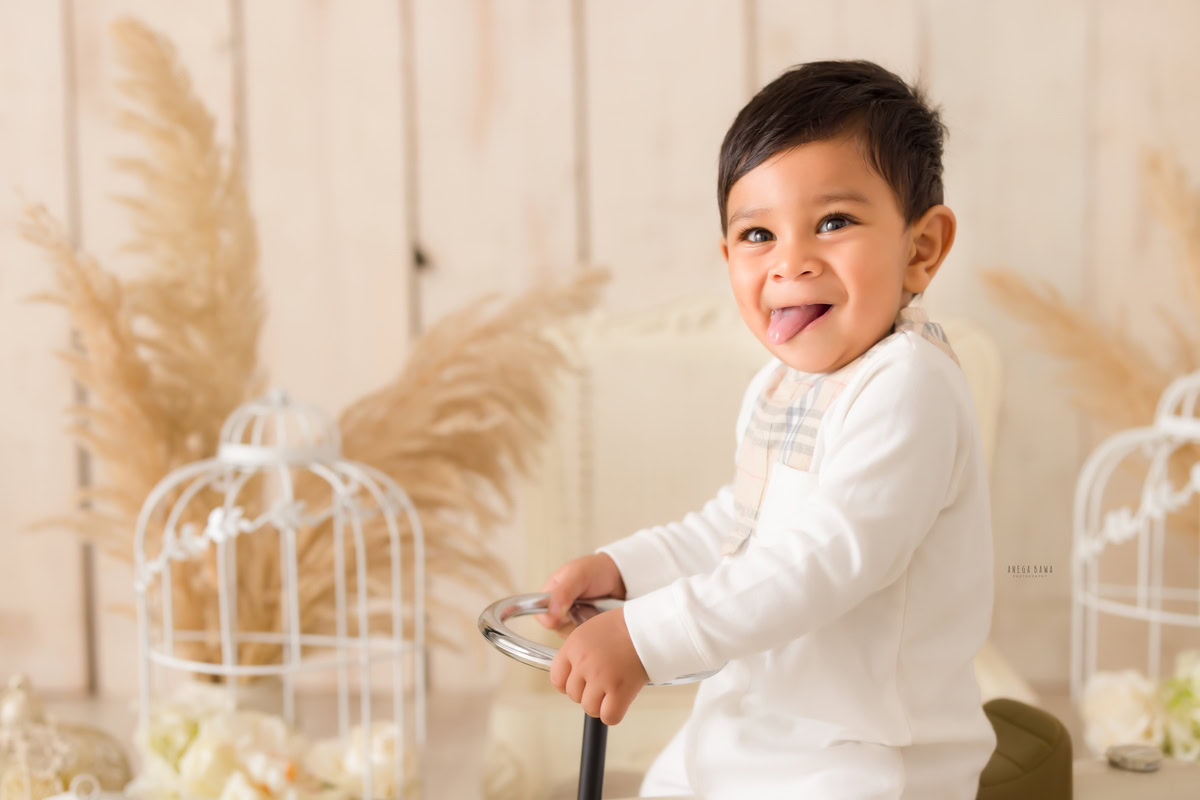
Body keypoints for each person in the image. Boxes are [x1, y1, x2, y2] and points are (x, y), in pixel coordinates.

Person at [536, 59, 997, 799]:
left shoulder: (909, 386)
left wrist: (646, 637)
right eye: (757, 234)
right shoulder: (784, 385)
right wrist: (628, 570)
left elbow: (825, 559)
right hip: (752, 722)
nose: (791, 262)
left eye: (834, 223)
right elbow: (740, 528)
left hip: (865, 753)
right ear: (727, 258)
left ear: (921, 249)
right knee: (666, 781)